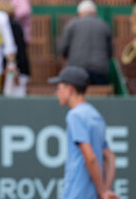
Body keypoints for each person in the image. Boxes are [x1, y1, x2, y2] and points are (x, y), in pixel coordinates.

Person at [49, 66, 118, 199]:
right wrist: (104, 190)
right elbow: (110, 157)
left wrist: (102, 191)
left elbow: (90, 157)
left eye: (59, 88)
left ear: (69, 89)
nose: (57, 92)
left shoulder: (75, 115)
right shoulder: (95, 115)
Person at [58, 0, 113, 84]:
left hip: (76, 70)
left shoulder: (72, 24)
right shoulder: (104, 25)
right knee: (100, 95)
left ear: (80, 13)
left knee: (77, 92)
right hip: (99, 71)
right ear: (95, 13)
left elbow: (63, 48)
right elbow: (110, 52)